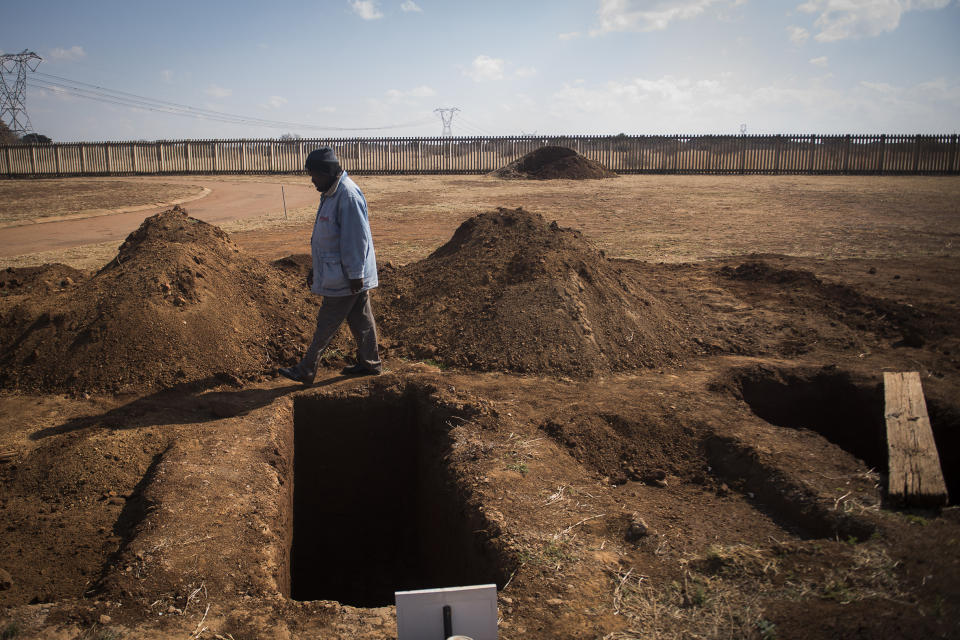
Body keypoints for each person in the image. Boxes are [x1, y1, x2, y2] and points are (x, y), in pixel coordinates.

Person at [279, 147, 382, 383]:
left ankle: (306, 369)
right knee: (360, 318)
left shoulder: (347, 196)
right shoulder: (330, 192)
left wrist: (356, 274)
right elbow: (328, 239)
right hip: (342, 272)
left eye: (315, 175)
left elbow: (356, 239)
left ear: (327, 171)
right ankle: (370, 364)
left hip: (348, 275)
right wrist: (316, 268)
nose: (312, 180)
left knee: (327, 321)